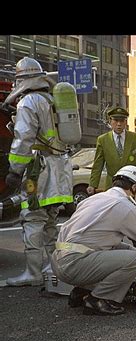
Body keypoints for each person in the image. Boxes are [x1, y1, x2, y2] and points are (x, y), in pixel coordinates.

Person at [51, 165, 136, 316]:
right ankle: (98, 299)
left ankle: (81, 291)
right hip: (74, 264)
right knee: (134, 259)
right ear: (134, 187)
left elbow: (91, 237)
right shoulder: (124, 206)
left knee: (129, 251)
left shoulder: (95, 199)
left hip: (58, 259)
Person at [4, 57, 74, 287]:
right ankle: (53, 268)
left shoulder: (28, 102)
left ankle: (32, 273)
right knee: (51, 220)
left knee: (32, 218)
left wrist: (15, 170)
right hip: (59, 166)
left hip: (38, 169)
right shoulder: (52, 99)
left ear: (22, 80)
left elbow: (24, 138)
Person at [87, 106, 136, 198]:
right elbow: (98, 165)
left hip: (131, 186)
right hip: (112, 186)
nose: (119, 124)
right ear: (110, 121)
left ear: (126, 122)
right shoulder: (103, 140)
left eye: (122, 121)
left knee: (134, 211)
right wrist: (92, 184)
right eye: (116, 120)